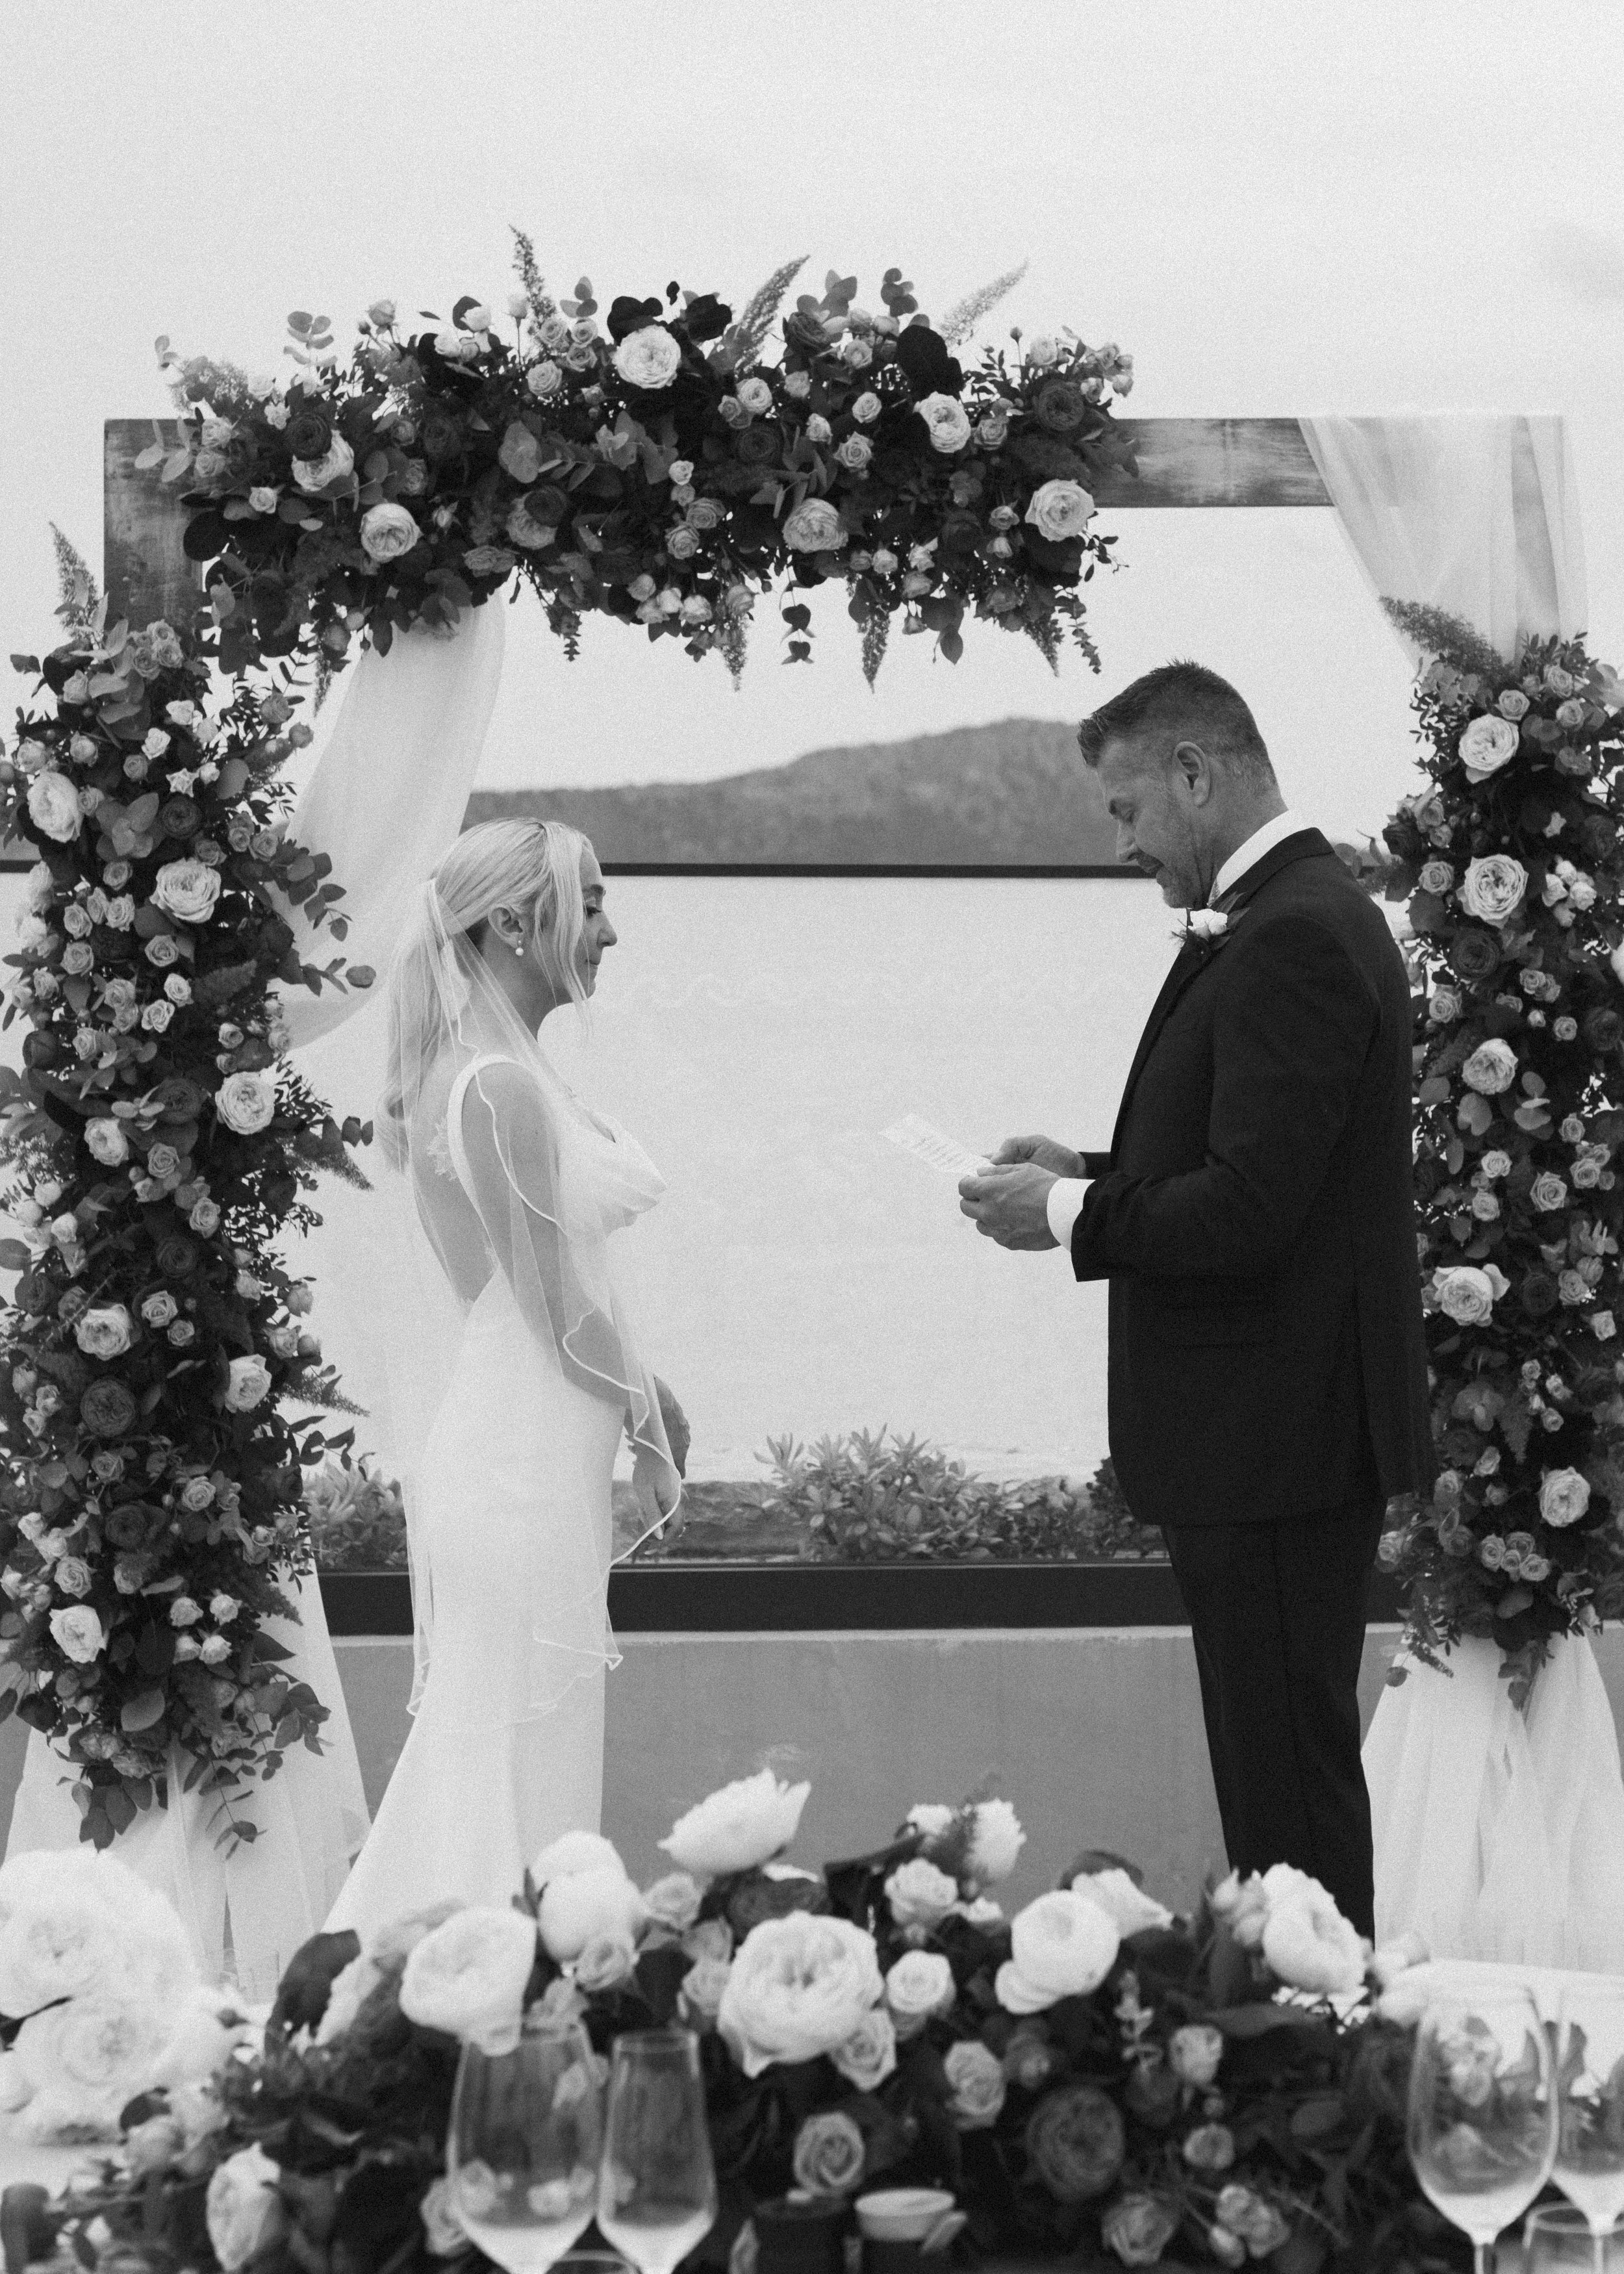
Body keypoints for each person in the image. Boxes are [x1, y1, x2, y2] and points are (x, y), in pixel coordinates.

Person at [958, 661, 1432, 1937]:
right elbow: (1263, 1162)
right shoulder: (1294, 912)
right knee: (1277, 1780)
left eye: (1124, 809)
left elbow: (1247, 1211)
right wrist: (1087, 1170)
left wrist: (1060, 1218)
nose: (1120, 842)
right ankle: (1311, 2049)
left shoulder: (1290, 935)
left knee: (1288, 1797)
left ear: (1193, 772)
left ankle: (1323, 2054)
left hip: (1273, 1441)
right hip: (1270, 1436)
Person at [325, 819, 686, 1937]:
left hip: (523, 1434)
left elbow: (545, 1292)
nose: (611, 929)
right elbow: (548, 1306)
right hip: (521, 1451)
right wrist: (652, 1414)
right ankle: (460, 1982)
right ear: (515, 923)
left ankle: (477, 1981)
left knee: (511, 1744)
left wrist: (637, 1397)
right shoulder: (496, 1091)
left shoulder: (481, 1077)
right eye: (594, 899)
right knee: (510, 1746)